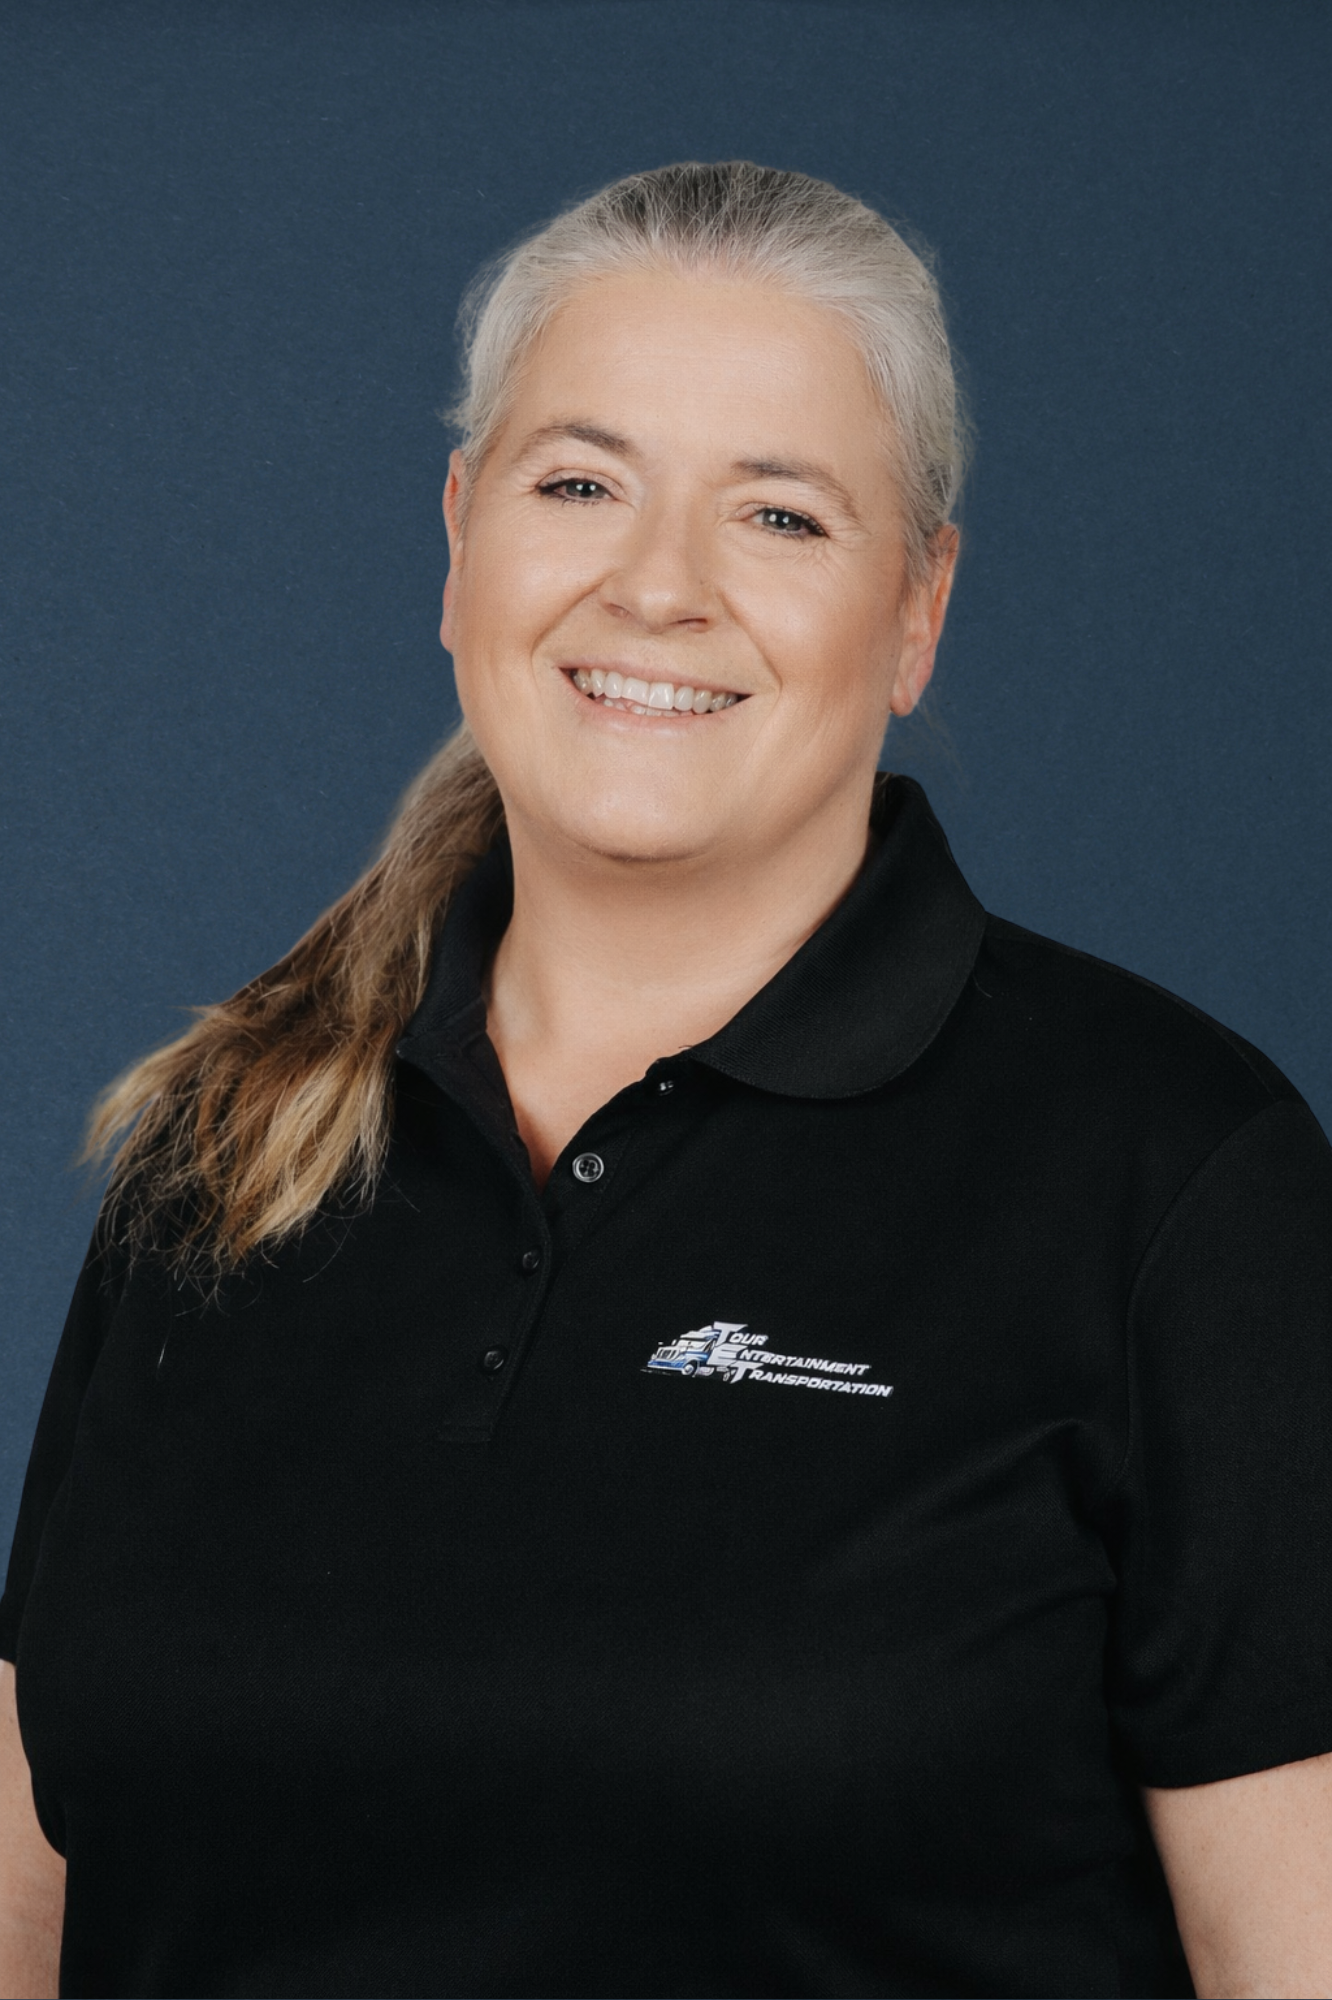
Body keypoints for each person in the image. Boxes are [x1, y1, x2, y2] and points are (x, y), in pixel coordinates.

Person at [1, 159, 1330, 2000]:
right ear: (460, 539)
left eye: (778, 515)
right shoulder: (233, 1138)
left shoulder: (1175, 1182)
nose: (657, 587)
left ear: (919, 609)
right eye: (579, 484)